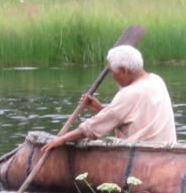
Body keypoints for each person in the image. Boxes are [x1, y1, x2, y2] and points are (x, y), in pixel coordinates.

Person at [40, 45, 176, 151]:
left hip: (142, 154)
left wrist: (61, 140)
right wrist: (101, 109)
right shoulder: (156, 80)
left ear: (124, 70)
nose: (112, 77)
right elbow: (134, 116)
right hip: (164, 152)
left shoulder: (129, 93)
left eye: (113, 72)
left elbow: (91, 128)